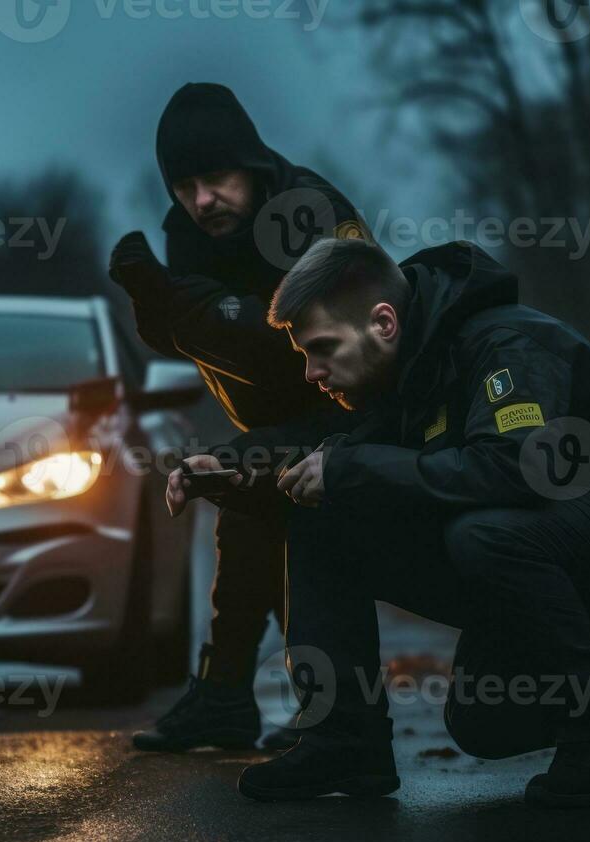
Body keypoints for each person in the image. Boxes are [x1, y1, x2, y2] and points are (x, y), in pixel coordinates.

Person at [165, 237, 590, 807]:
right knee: (483, 721)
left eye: (322, 349)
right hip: (538, 539)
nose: (311, 373)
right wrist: (236, 470)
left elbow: (514, 468)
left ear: (383, 322)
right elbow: (329, 451)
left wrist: (351, 467)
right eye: (306, 356)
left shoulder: (506, 344)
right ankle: (344, 742)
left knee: (479, 535)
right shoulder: (409, 366)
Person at [109, 83, 370, 752]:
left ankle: (335, 717)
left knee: (301, 534)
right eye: (184, 184)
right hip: (268, 415)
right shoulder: (185, 231)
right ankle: (232, 698)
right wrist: (159, 308)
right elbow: (193, 338)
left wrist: (186, 307)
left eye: (216, 178)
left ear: (251, 167)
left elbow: (296, 348)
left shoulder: (311, 214)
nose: (200, 200)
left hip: (347, 403)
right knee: (247, 515)